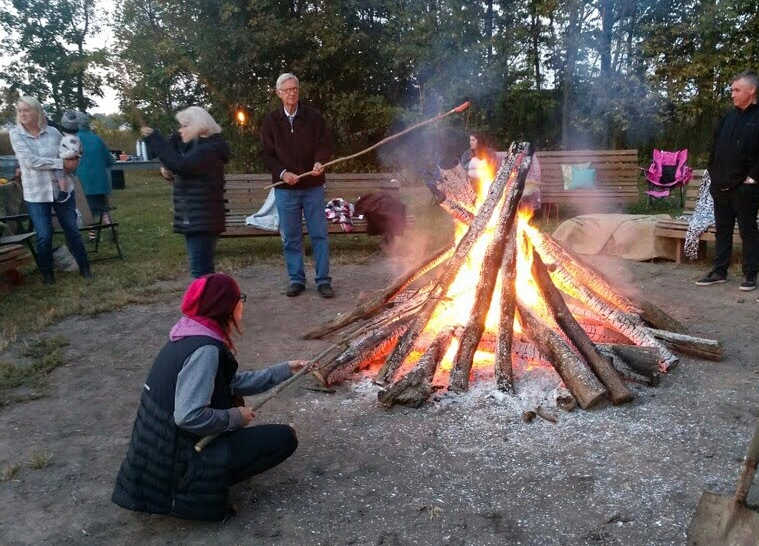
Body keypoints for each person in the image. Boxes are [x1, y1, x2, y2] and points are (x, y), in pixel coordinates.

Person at [112, 273, 307, 521]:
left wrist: (284, 370)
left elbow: (230, 383)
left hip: (164, 456)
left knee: (245, 429)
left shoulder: (191, 334)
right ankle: (191, 494)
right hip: (175, 466)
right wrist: (235, 417)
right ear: (225, 306)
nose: (242, 304)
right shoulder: (205, 350)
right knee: (284, 438)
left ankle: (198, 480)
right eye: (240, 298)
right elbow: (188, 416)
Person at [261, 73, 334, 298]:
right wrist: (283, 173)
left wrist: (320, 161)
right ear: (279, 94)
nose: (292, 93)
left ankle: (323, 281)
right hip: (286, 190)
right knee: (291, 237)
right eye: (287, 90)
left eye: (295, 88)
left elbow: (325, 144)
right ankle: (296, 279)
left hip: (312, 186)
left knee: (319, 235)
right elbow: (267, 155)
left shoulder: (313, 117)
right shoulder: (271, 121)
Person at [9, 96, 91, 284]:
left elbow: (70, 151)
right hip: (36, 193)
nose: (22, 114)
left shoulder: (54, 132)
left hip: (61, 190)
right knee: (44, 235)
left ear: (37, 112)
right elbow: (30, 162)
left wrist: (74, 158)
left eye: (26, 110)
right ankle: (47, 274)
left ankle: (85, 268)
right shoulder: (16, 134)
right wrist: (61, 163)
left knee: (72, 230)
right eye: (20, 110)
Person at [141, 106, 230, 278]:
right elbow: (184, 169)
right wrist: (169, 172)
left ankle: (207, 303)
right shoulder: (200, 148)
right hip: (198, 218)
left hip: (203, 219)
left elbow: (181, 165)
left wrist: (155, 139)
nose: (180, 130)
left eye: (184, 126)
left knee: (201, 272)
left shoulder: (208, 150)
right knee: (203, 270)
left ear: (198, 126)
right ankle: (210, 302)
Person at [696, 71, 759, 291]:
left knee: (748, 230)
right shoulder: (727, 118)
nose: (732, 94)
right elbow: (715, 148)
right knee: (722, 229)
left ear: (751, 91)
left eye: (736, 90)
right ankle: (719, 271)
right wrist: (712, 175)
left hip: (746, 188)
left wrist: (752, 179)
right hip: (720, 185)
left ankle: (750, 274)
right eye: (732, 90)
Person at [67, 111, 115, 238]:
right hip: (101, 182)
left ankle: (92, 234)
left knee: (87, 211)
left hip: (83, 183)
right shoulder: (97, 139)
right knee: (103, 207)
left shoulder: (73, 140)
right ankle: (110, 227)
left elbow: (68, 163)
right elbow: (109, 161)